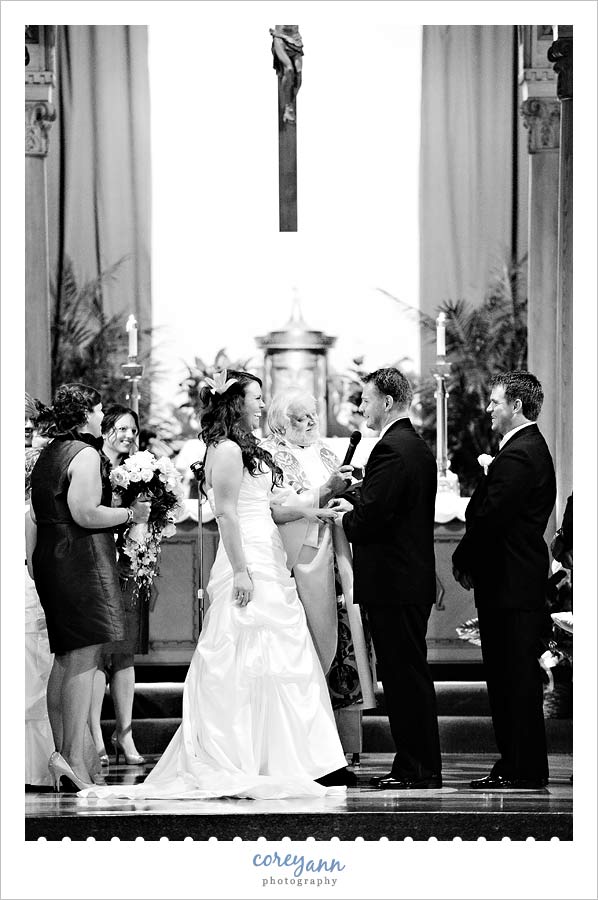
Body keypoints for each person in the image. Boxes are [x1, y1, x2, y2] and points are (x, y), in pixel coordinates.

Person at [79, 370, 348, 801]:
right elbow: (226, 514)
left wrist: (304, 514)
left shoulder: (248, 447)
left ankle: (294, 758)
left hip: (269, 550)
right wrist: (241, 571)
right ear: (237, 402)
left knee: (285, 653)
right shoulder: (223, 449)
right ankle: (240, 754)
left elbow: (261, 506)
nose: (263, 405)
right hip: (246, 556)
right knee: (243, 652)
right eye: (256, 398)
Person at [29, 383, 150, 791]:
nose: (102, 417)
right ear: (85, 415)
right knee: (84, 656)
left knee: (65, 658)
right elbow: (85, 512)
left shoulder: (49, 452)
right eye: (98, 410)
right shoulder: (84, 453)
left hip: (53, 555)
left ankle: (67, 755)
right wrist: (131, 513)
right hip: (79, 558)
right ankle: (74, 759)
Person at [330, 367, 442, 790]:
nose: (362, 407)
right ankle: (415, 764)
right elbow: (390, 506)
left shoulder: (392, 449)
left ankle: (416, 767)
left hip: (395, 582)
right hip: (406, 579)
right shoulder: (411, 446)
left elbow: (373, 519)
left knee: (403, 676)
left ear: (388, 402)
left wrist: (347, 515)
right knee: (407, 673)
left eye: (367, 399)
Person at [261, 389, 377, 768]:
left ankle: (347, 744)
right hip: (303, 563)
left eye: (312, 416)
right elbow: (279, 507)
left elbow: (346, 493)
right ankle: (310, 749)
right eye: (300, 418)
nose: (310, 423)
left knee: (348, 640)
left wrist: (352, 492)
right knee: (310, 647)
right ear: (280, 422)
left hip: (339, 555)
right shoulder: (270, 455)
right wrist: (325, 492)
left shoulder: (328, 451)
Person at [452, 371, 556, 789]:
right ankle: (517, 762)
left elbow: (490, 515)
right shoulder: (527, 449)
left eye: (495, 402)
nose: (489, 409)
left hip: (511, 584)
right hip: (515, 581)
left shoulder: (519, 454)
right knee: (511, 677)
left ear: (516, 406)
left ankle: (521, 766)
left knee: (512, 679)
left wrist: (463, 556)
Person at [88, 405, 146, 767]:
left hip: (129, 565)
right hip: (96, 565)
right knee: (96, 653)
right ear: (105, 429)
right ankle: (94, 733)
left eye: (133, 430)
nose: (128, 435)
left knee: (124, 653)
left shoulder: (140, 469)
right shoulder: (92, 465)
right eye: (121, 429)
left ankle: (124, 733)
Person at [270, 25, 303, 124]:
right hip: (280, 38)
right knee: (289, 69)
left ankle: (290, 103)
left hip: (295, 40)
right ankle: (287, 106)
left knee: (298, 75)